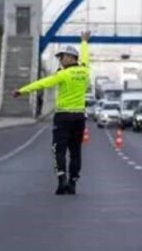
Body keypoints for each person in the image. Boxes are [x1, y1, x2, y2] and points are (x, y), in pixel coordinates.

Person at [13, 31, 91, 195]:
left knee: (59, 150)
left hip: (63, 117)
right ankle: (73, 182)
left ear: (70, 57)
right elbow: (85, 57)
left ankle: (62, 179)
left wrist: (22, 91)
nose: (60, 60)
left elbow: (42, 83)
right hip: (79, 117)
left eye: (61, 57)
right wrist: (84, 41)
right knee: (75, 151)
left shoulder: (62, 74)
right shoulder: (85, 71)